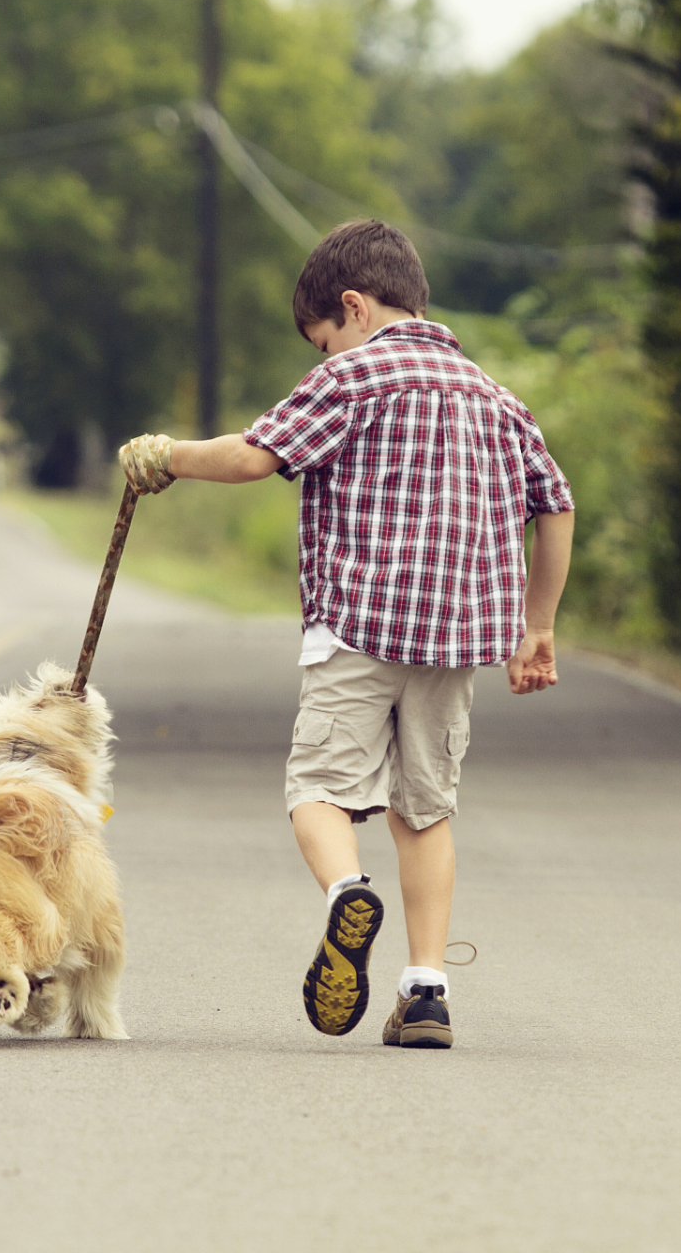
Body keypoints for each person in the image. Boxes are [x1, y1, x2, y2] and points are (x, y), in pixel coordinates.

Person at [116, 219, 574, 1050]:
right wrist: (536, 625)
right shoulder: (496, 397)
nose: (324, 355)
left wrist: (169, 456)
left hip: (356, 628)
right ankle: (427, 989)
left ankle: (345, 894)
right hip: (456, 644)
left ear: (354, 308)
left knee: (318, 791)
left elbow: (256, 456)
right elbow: (557, 505)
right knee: (426, 812)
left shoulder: (352, 379)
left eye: (322, 339)